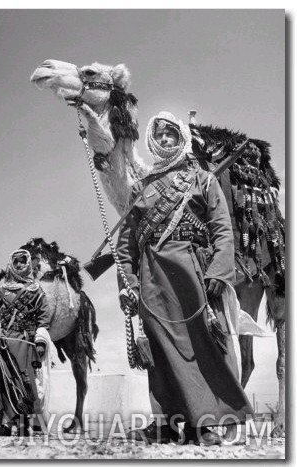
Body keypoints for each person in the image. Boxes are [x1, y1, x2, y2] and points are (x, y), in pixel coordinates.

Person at [116, 111, 254, 445]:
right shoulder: (141, 189)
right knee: (161, 350)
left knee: (201, 346)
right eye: (160, 135)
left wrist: (219, 271)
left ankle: (203, 423)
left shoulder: (202, 179)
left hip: (195, 274)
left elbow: (223, 229)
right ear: (152, 141)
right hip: (152, 280)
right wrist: (129, 285)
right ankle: (164, 424)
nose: (165, 139)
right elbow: (125, 246)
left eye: (171, 135)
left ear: (181, 139)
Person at [0, 249, 52, 436]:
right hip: (3, 342)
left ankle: (23, 423)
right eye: (16, 261)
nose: (20, 264)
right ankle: (5, 423)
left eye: (23, 261)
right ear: (12, 264)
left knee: (25, 382)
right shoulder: (1, 291)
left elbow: (43, 318)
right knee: (4, 381)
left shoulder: (36, 291)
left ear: (28, 263)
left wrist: (40, 341)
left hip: (25, 342)